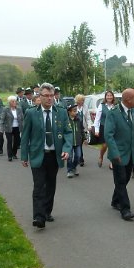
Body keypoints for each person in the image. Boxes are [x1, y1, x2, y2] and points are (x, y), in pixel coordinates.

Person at [21, 83, 72, 228]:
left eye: (52, 96)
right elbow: (25, 136)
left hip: (54, 156)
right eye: (46, 96)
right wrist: (24, 156)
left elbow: (68, 133)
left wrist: (67, 149)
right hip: (38, 154)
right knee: (39, 186)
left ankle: (47, 211)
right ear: (40, 97)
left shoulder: (61, 112)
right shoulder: (31, 113)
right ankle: (38, 217)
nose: (50, 99)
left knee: (50, 185)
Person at [104, 88, 134, 221]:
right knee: (120, 180)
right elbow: (108, 136)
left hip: (130, 153)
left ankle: (115, 200)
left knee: (125, 179)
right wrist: (114, 153)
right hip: (118, 154)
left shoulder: (133, 112)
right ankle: (125, 209)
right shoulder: (113, 113)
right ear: (128, 100)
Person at [94, 90, 118, 169]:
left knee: (113, 145)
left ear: (113, 97)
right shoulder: (102, 105)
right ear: (105, 97)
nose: (109, 97)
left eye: (111, 95)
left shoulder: (116, 106)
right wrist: (96, 129)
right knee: (105, 145)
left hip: (114, 128)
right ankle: (101, 156)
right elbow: (97, 118)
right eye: (108, 95)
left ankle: (112, 162)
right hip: (104, 127)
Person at [0, 95, 24, 162]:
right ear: (10, 102)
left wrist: (23, 126)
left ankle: (14, 154)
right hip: (8, 128)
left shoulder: (19, 109)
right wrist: (1, 129)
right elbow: (2, 119)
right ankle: (9, 156)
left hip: (17, 127)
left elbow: (22, 118)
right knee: (9, 142)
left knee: (17, 141)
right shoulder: (6, 109)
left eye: (15, 101)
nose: (14, 102)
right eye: (13, 101)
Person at [65, 103, 84, 178]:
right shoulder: (66, 120)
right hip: (69, 142)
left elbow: (82, 129)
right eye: (74, 111)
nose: (76, 112)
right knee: (69, 157)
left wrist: (84, 138)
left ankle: (73, 167)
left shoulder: (79, 119)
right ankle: (69, 170)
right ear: (69, 112)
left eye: (76, 111)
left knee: (78, 156)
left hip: (78, 142)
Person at [74, 94, 89, 166]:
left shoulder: (85, 107)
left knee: (81, 143)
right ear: (78, 101)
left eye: (83, 100)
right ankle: (81, 159)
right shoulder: (74, 107)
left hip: (83, 128)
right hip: (76, 129)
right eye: (81, 100)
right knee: (79, 144)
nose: (83, 101)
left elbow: (88, 117)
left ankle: (79, 157)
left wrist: (89, 125)